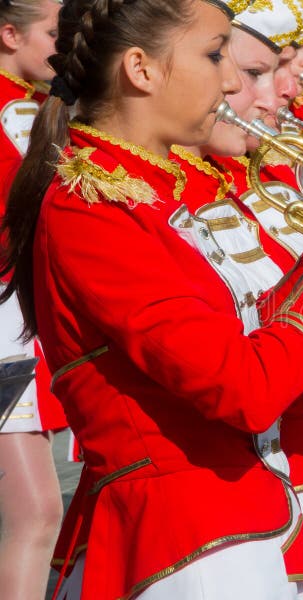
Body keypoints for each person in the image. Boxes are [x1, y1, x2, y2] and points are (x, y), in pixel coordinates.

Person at [0, 0, 303, 597]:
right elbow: (244, 389)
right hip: (190, 543)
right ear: (141, 68)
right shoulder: (91, 206)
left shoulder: (166, 189)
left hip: (256, 522)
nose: (232, 80)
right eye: (215, 56)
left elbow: (288, 367)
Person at [0, 2, 66, 599]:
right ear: (9, 33)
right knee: (38, 514)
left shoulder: (33, 105)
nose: (64, 40)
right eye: (54, 31)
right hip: (3, 331)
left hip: (17, 328)